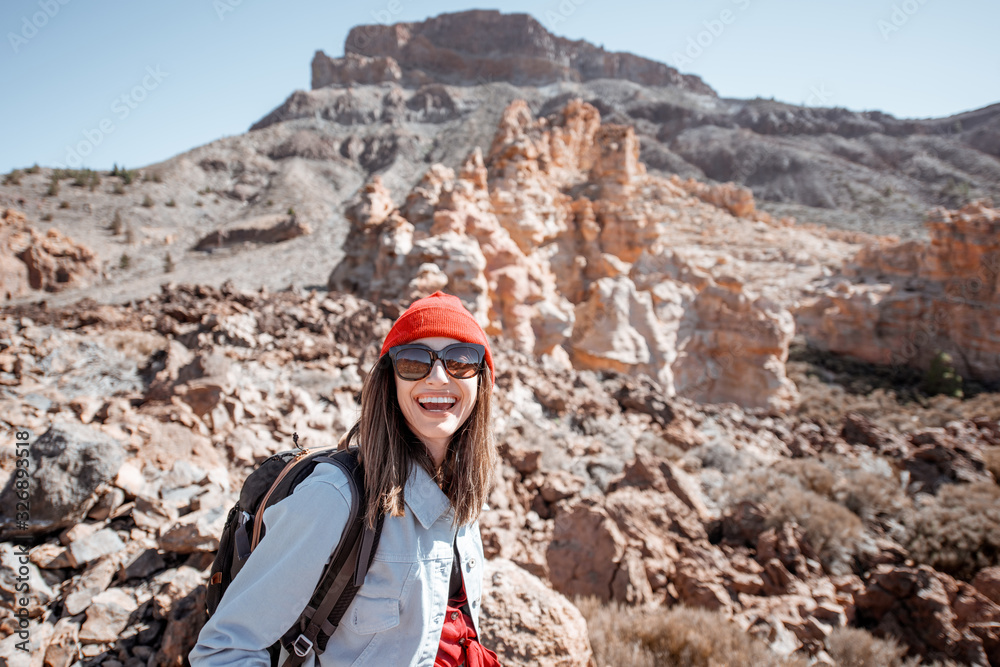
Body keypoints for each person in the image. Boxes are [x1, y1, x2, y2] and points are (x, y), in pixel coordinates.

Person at [190, 291, 501, 666]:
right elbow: (224, 650)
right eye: (415, 362)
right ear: (390, 382)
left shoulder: (463, 495)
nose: (438, 377)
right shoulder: (333, 499)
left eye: (461, 361)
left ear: (481, 381)